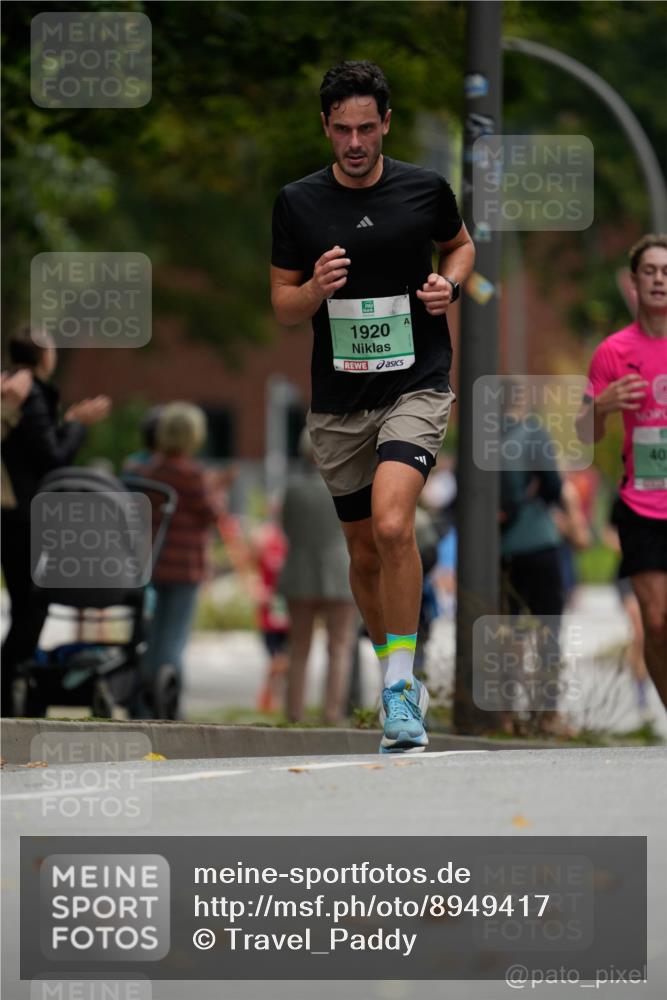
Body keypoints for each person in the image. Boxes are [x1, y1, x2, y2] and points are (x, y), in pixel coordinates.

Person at [271, 61, 474, 752]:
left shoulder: (424, 188)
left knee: (392, 524)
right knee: (362, 553)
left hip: (416, 383)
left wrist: (449, 285)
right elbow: (282, 304)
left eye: (366, 127)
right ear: (325, 127)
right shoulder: (297, 202)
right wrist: (314, 289)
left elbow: (460, 246)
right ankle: (396, 671)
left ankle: (398, 685)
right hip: (338, 403)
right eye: (341, 129)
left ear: (385, 122)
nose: (354, 142)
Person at [576, 234, 667, 710]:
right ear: (634, 282)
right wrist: (602, 406)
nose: (659, 280)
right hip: (641, 505)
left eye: (666, 272)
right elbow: (584, 434)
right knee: (655, 622)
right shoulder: (612, 352)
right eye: (649, 271)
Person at [1, 327, 110, 715]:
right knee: (32, 605)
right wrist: (76, 423)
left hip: (15, 513)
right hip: (22, 514)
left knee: (27, 603)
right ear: (44, 355)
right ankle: (10, 689)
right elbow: (51, 458)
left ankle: (17, 690)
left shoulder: (13, 387)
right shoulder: (28, 393)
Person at [132, 402, 226, 718]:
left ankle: (143, 705)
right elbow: (212, 512)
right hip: (185, 566)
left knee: (154, 635)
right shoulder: (192, 474)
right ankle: (168, 706)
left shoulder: (148, 471)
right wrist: (218, 490)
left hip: (154, 563)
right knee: (174, 639)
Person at [278, 428, 357, 725]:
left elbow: (286, 528)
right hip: (339, 571)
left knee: (298, 648)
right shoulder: (347, 486)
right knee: (339, 647)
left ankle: (294, 714)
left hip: (299, 570)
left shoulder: (293, 490)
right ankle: (332, 713)